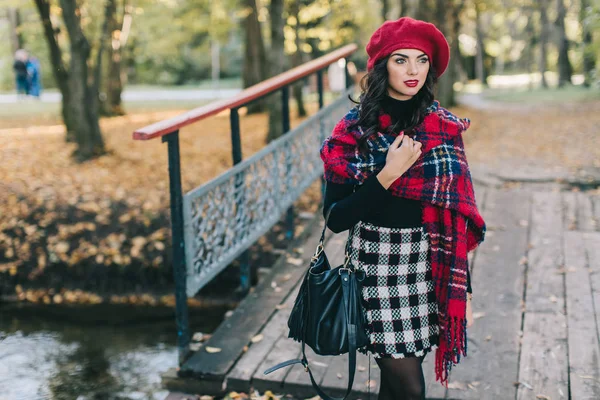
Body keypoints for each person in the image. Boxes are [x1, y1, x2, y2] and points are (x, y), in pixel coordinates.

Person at [319, 17, 486, 399]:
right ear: (382, 66)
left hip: (427, 263)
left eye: (421, 60)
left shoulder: (442, 128)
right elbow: (335, 217)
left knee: (395, 389)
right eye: (400, 60)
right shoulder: (354, 131)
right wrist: (387, 175)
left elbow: (456, 215)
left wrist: (465, 290)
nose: (412, 70)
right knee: (411, 389)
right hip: (376, 265)